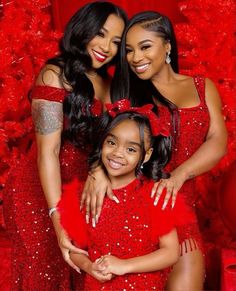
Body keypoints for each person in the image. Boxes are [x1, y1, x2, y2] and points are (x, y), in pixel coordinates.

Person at [82, 11, 227, 291]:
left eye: (145, 46)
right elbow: (107, 142)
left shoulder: (201, 87)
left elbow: (218, 142)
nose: (136, 58)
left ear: (168, 45)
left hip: (181, 213)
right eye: (129, 50)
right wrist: (97, 170)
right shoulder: (125, 92)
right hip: (135, 217)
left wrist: (179, 175)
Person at [2, 2, 127, 289]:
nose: (106, 46)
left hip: (80, 193)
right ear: (84, 29)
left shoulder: (112, 84)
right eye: (101, 34)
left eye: (116, 42)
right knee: (45, 276)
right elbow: (49, 152)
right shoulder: (54, 73)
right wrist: (57, 219)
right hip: (38, 195)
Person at [57, 99, 196, 290]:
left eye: (130, 149)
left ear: (146, 155)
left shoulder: (154, 195)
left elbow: (171, 252)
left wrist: (124, 266)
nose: (117, 153)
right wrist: (89, 266)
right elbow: (75, 249)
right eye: (112, 142)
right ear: (102, 142)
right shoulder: (84, 194)